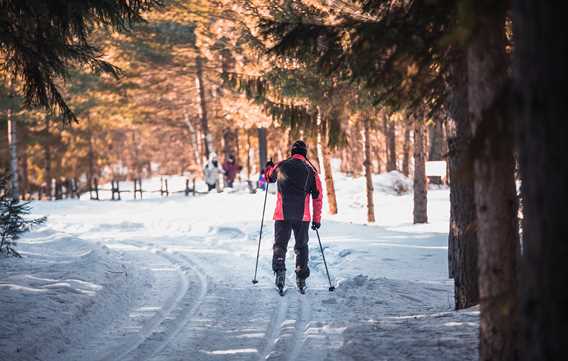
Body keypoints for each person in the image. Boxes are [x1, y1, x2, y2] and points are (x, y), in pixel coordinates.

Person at [264, 140, 323, 292]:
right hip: (302, 216)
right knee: (301, 246)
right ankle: (301, 277)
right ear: (305, 153)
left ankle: (280, 271)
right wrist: (317, 219)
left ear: (292, 152)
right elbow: (318, 197)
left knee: (280, 245)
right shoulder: (311, 171)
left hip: (282, 214)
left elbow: (269, 177)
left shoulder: (281, 165)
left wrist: (269, 167)